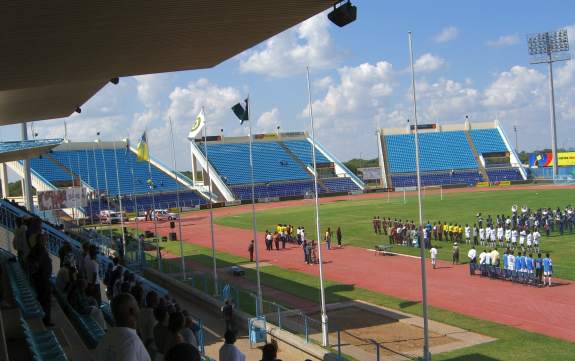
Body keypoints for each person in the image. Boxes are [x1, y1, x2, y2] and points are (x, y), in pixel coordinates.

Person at [94, 293, 151, 361]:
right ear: (131, 311)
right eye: (137, 305)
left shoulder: (107, 337)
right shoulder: (130, 343)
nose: (139, 308)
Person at [27, 235, 53, 327]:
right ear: (41, 241)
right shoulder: (39, 250)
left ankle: (45, 319)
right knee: (45, 300)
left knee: (44, 300)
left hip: (41, 279)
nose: (46, 242)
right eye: (45, 240)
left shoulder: (36, 249)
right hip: (42, 280)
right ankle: (46, 321)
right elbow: (35, 264)